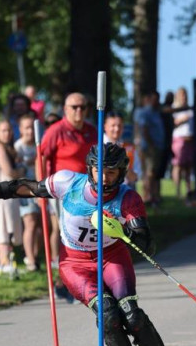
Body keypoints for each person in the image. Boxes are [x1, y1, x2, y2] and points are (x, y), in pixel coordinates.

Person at [0, 143, 189, 346]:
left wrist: (129, 234)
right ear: (89, 168)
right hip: (75, 263)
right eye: (98, 170)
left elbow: (147, 246)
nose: (104, 177)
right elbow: (26, 187)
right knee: (108, 313)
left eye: (111, 172)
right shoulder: (68, 182)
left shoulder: (128, 198)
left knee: (132, 314)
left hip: (112, 258)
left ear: (122, 172)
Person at [39, 92, 96, 297]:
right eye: (74, 107)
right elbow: (41, 157)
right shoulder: (57, 130)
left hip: (87, 191)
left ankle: (83, 272)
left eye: (82, 107)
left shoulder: (91, 130)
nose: (79, 111)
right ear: (65, 109)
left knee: (85, 230)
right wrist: (41, 188)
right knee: (62, 229)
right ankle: (59, 271)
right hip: (62, 189)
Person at [0, 120, 24, 276]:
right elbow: (10, 172)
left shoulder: (10, 149)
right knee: (4, 227)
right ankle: (3, 262)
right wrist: (22, 170)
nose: (7, 133)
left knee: (11, 227)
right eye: (3, 130)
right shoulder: (0, 149)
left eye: (9, 130)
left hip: (12, 193)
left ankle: (8, 261)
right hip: (5, 192)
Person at [14, 113, 41, 271]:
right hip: (25, 189)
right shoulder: (18, 146)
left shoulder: (39, 145)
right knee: (30, 223)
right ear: (21, 129)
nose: (30, 131)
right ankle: (30, 258)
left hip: (39, 188)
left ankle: (35, 256)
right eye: (26, 128)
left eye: (32, 127)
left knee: (37, 225)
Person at [134, 90, 165, 206]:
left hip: (157, 146)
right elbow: (144, 129)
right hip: (149, 147)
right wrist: (151, 144)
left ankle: (153, 195)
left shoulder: (156, 112)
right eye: (154, 99)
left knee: (153, 172)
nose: (156, 101)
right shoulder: (144, 112)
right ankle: (147, 196)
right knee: (148, 172)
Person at [103, 112, 138, 188]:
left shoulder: (129, 148)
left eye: (119, 125)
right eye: (113, 125)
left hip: (125, 189)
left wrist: (124, 166)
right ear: (105, 126)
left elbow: (135, 177)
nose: (117, 129)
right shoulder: (97, 146)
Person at [170, 87, 194, 198]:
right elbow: (173, 123)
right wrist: (183, 119)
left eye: (185, 95)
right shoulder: (174, 109)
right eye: (181, 95)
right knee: (178, 165)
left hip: (190, 140)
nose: (184, 97)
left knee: (188, 166)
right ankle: (178, 191)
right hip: (179, 140)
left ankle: (189, 190)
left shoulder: (190, 109)